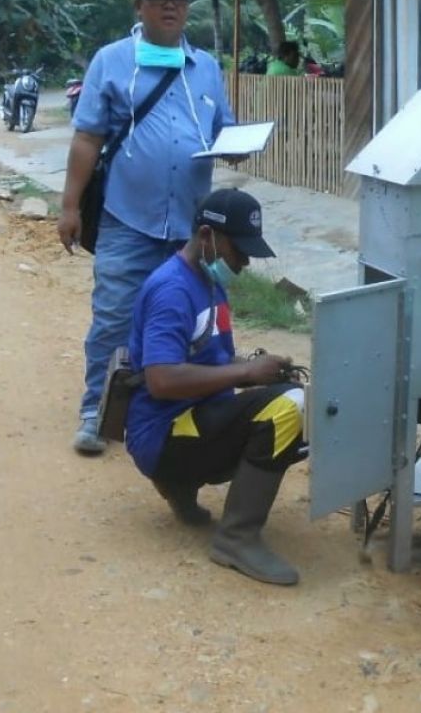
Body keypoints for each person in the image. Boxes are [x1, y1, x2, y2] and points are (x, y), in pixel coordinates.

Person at [58, 0, 235, 455]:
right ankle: (97, 411)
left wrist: (242, 143)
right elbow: (87, 139)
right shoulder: (111, 61)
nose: (170, 8)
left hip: (189, 226)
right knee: (114, 315)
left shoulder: (204, 68)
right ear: (138, 5)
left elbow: (222, 126)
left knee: (187, 318)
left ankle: (180, 409)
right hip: (126, 218)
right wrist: (70, 207)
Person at [126, 188, 308, 586]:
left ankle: (180, 485)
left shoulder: (207, 281)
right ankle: (236, 539)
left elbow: (213, 361)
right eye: (238, 250)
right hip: (163, 433)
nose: (243, 262)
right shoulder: (173, 290)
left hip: (190, 420)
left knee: (286, 398)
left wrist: (260, 369)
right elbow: (161, 379)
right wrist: (245, 375)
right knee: (288, 409)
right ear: (207, 236)